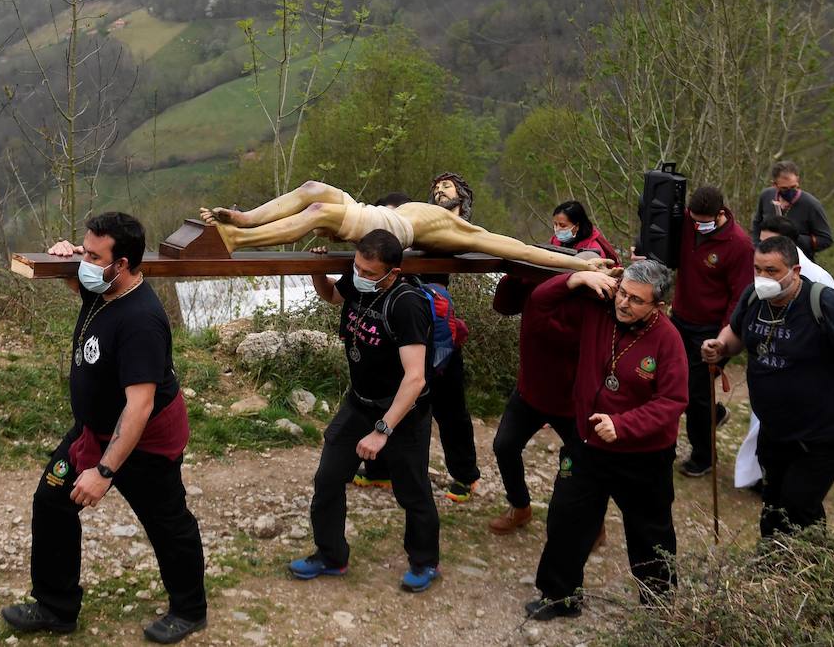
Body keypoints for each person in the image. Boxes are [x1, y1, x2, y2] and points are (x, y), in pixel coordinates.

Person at [2, 213, 207, 644]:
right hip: (92, 430)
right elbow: (80, 281)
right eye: (85, 250)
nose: (86, 262)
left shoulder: (142, 321)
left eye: (95, 256)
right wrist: (65, 257)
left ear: (125, 263)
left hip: (143, 441)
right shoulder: (102, 288)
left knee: (167, 523)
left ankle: (189, 609)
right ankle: (56, 607)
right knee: (52, 502)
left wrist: (105, 471)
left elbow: (140, 406)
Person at [526, 260, 688, 618]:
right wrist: (574, 279)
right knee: (567, 520)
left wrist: (624, 425)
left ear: (657, 306)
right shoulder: (595, 311)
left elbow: (673, 401)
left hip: (643, 455)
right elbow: (539, 306)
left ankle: (657, 607)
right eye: (623, 293)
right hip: (587, 444)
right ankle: (560, 596)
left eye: (636, 300)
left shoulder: (667, 339)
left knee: (650, 534)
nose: (624, 304)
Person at [701, 235, 834, 538]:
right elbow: (734, 334)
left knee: (799, 505)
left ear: (795, 271)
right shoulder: (752, 298)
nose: (763, 278)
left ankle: (809, 572)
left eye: (772, 271)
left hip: (824, 432)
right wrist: (719, 347)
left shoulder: (826, 304)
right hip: (774, 429)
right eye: (758, 269)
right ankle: (773, 562)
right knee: (773, 503)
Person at [294, 229, 442, 592]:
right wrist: (317, 270)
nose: (360, 274)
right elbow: (331, 295)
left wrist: (382, 430)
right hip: (359, 402)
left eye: (370, 272)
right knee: (328, 478)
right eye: (356, 266)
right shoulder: (360, 279)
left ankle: (424, 561)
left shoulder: (406, 304)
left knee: (412, 490)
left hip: (403, 413)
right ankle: (331, 555)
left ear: (393, 272)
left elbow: (415, 378)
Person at [487, 200, 623, 534]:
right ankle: (520, 506)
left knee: (583, 462)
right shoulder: (544, 267)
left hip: (574, 396)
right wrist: (518, 273)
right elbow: (505, 305)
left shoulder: (599, 285)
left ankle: (594, 524)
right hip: (533, 386)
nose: (557, 230)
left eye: (563, 225)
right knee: (505, 446)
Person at [354, 189, 482, 504]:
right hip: (394, 342)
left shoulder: (433, 239)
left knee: (449, 409)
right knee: (388, 400)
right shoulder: (378, 255)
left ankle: (465, 475)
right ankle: (379, 470)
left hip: (437, 340)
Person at [200, 179, 612, 272]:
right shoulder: (427, 205)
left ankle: (237, 238)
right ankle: (247, 217)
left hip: (384, 228)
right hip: (369, 212)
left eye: (447, 188)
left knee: (319, 214)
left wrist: (582, 264)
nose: (440, 190)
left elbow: (520, 249)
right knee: (313, 189)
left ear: (462, 201)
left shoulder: (463, 231)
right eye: (438, 186)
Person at [732, 215, 834, 491]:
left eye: (771, 242)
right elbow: (739, 325)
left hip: (806, 391)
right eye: (762, 242)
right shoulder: (760, 279)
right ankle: (762, 479)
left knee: (799, 492)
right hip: (768, 376)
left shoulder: (818, 281)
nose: (765, 247)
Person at [668, 185, 754, 479]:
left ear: (720, 214)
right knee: (669, 383)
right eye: (694, 220)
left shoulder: (739, 244)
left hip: (712, 329)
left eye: (704, 221)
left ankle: (704, 456)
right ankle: (710, 417)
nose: (698, 226)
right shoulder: (686, 227)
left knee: (696, 392)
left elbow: (739, 296)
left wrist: (723, 338)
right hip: (680, 317)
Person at [750, 161, 834, 258]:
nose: (790, 192)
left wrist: (794, 237)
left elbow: (825, 240)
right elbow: (757, 223)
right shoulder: (766, 196)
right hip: (766, 259)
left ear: (798, 180)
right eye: (784, 188)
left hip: (799, 262)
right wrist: (756, 247)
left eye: (793, 187)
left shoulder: (811, 204)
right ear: (774, 184)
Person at [549, 200, 622, 261]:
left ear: (577, 226)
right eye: (555, 224)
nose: (557, 229)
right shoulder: (555, 241)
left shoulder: (593, 250)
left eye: (563, 225)